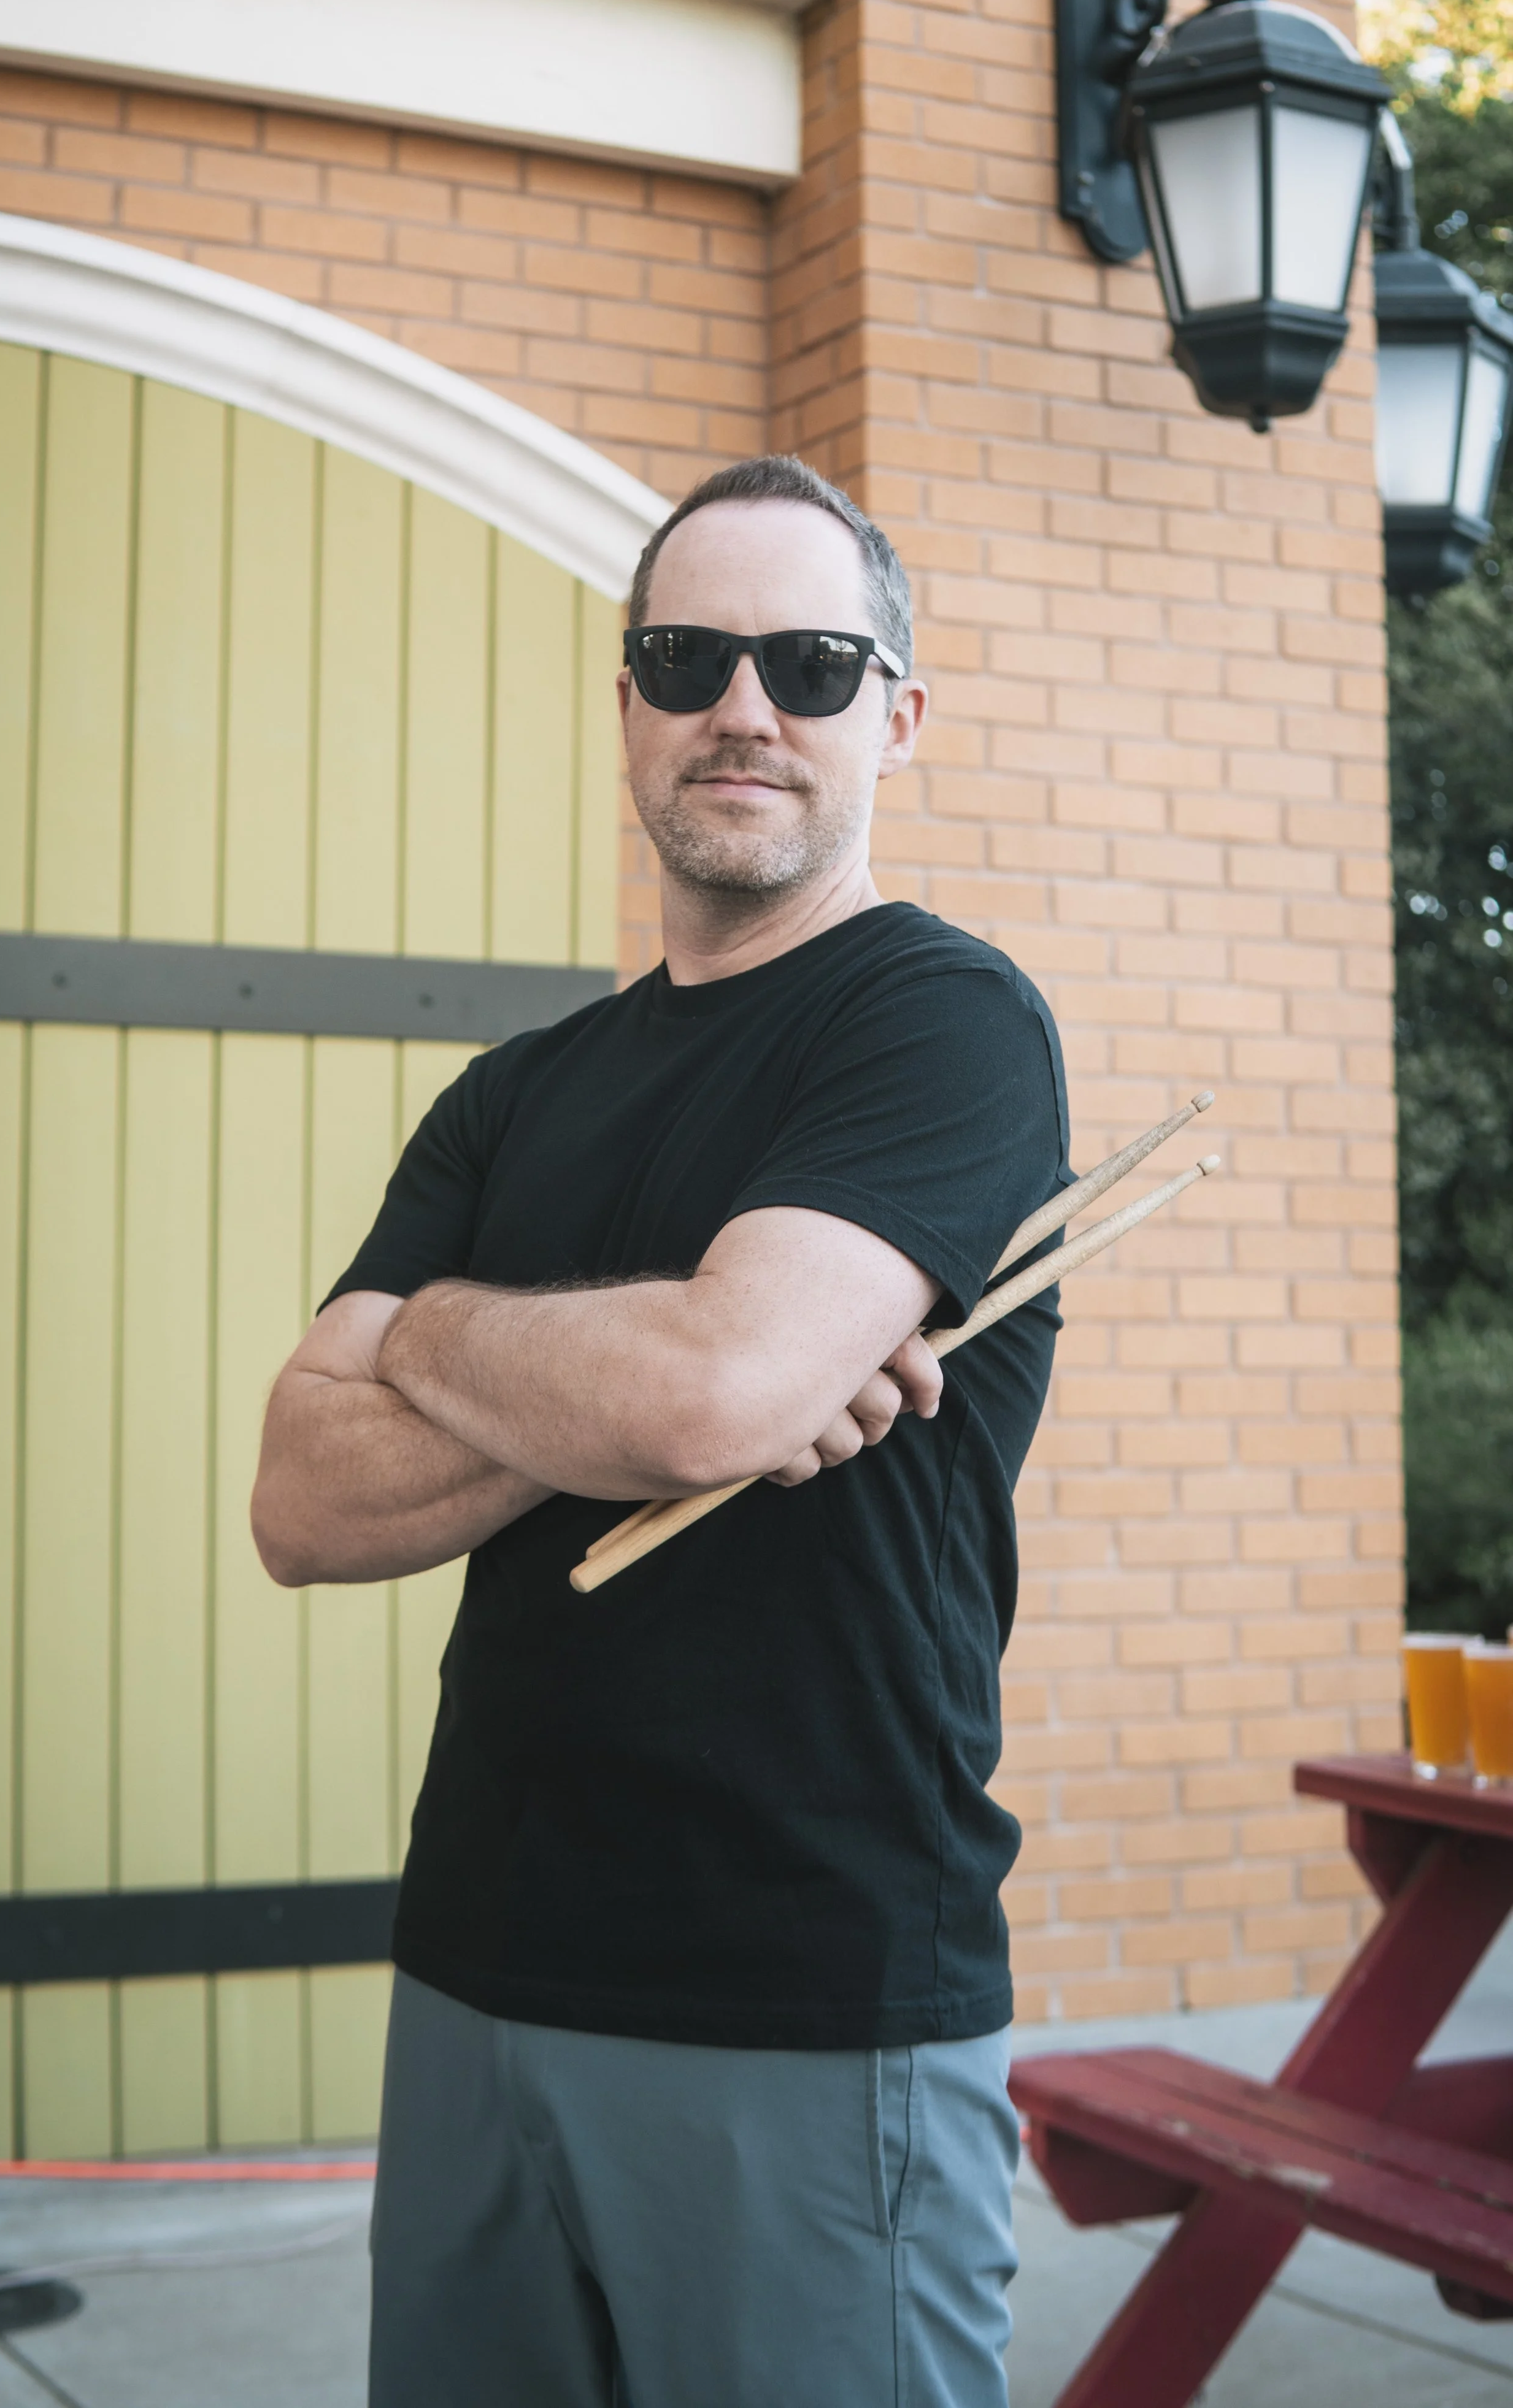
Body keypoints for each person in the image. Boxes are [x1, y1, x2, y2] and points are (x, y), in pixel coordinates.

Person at [251, 454, 1071, 2408]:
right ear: (627, 698)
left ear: (898, 711)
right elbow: (298, 1496)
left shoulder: (939, 1022)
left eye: (806, 660)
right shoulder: (515, 1092)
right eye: (688, 655)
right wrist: (654, 1381)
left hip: (801, 1992)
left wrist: (443, 1343)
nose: (743, 707)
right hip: (475, 1969)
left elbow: (719, 1393)